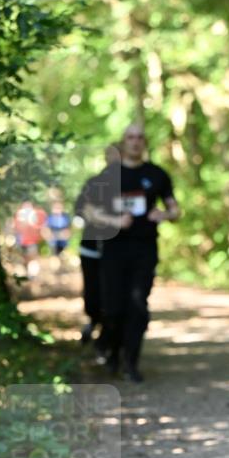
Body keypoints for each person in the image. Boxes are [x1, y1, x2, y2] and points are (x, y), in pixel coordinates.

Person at [83, 126, 180, 382]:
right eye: (130, 138)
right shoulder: (108, 175)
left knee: (137, 306)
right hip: (113, 250)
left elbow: (175, 209)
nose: (135, 142)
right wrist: (112, 220)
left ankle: (131, 362)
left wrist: (165, 214)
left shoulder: (156, 174)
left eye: (140, 138)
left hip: (144, 250)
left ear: (145, 143)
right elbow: (90, 211)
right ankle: (112, 351)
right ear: (123, 142)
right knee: (113, 308)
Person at [74, 144, 121, 350]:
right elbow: (81, 210)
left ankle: (109, 339)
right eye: (111, 155)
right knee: (93, 294)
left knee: (113, 296)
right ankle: (94, 322)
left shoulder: (128, 184)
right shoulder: (93, 184)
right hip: (92, 250)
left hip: (118, 253)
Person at [13, 199, 46, 279]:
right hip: (22, 242)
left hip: (32, 241)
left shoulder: (35, 214)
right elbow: (15, 227)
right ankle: (28, 273)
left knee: (32, 258)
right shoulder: (19, 215)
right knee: (25, 258)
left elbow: (40, 226)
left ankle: (32, 275)